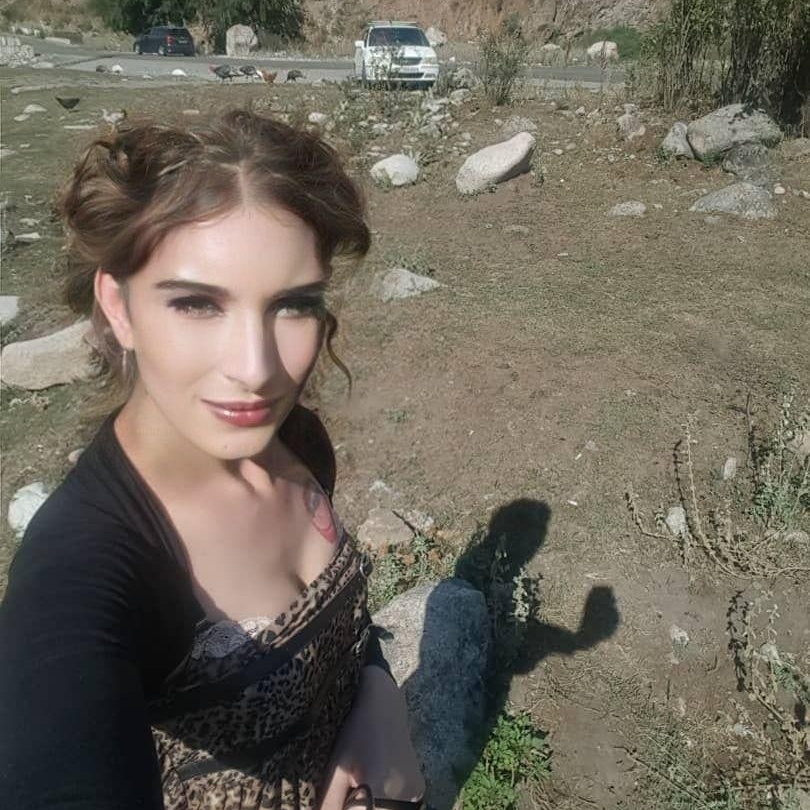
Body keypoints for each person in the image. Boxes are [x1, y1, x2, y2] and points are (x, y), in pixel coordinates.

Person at [0, 110, 426, 810]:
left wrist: (379, 698)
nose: (257, 371)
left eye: (293, 305)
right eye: (198, 304)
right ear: (118, 307)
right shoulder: (82, 571)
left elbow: (343, 626)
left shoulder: (297, 441)